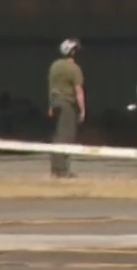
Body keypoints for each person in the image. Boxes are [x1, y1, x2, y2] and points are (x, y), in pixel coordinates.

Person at [47, 38, 85, 178]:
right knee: (66, 136)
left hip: (56, 102)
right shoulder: (74, 68)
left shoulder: (54, 66)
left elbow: (51, 87)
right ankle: (62, 170)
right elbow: (78, 90)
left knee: (57, 135)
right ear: (73, 52)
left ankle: (55, 167)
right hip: (67, 103)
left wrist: (51, 105)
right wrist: (82, 110)